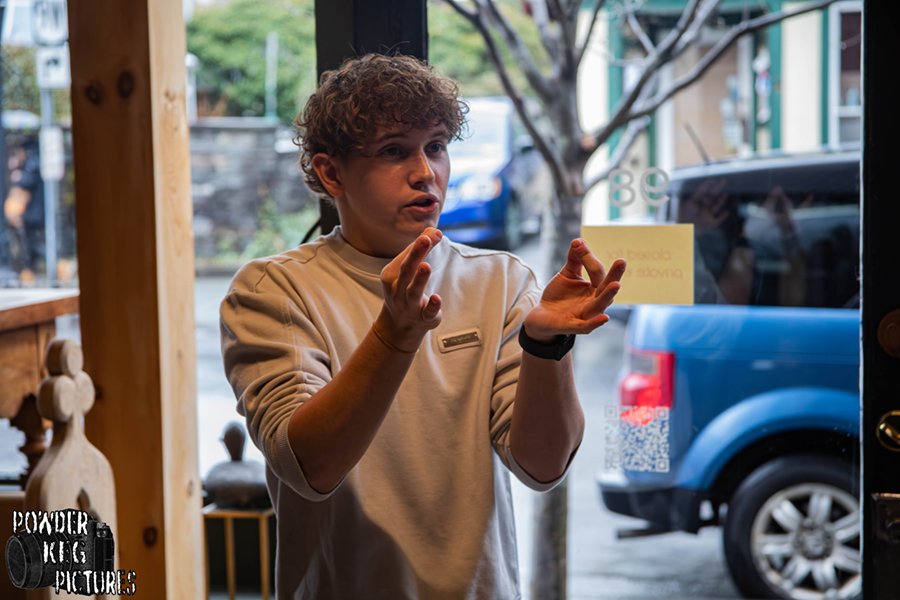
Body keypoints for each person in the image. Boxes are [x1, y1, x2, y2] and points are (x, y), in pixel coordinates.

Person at [220, 53, 625, 599]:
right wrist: (393, 337)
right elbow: (308, 468)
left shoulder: (501, 280)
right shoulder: (274, 289)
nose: (425, 172)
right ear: (331, 173)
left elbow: (542, 468)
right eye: (394, 151)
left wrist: (546, 346)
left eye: (436, 146)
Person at [3, 136, 45, 284]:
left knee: (34, 243)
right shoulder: (31, 162)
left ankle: (53, 264)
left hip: (34, 212)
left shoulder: (32, 163)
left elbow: (25, 182)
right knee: (30, 243)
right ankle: (29, 271)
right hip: (31, 213)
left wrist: (17, 174)